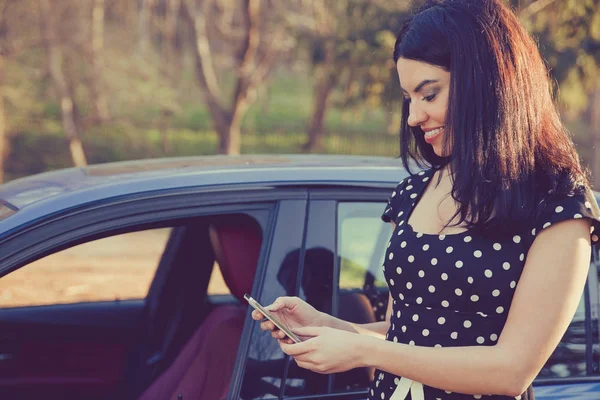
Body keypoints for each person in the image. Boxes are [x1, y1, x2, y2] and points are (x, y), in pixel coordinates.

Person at [251, 0, 600, 399]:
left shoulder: (558, 206)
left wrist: (364, 349)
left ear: (487, 84)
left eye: (428, 94)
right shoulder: (415, 193)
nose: (414, 116)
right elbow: (408, 333)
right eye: (408, 98)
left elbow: (511, 369)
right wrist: (329, 328)